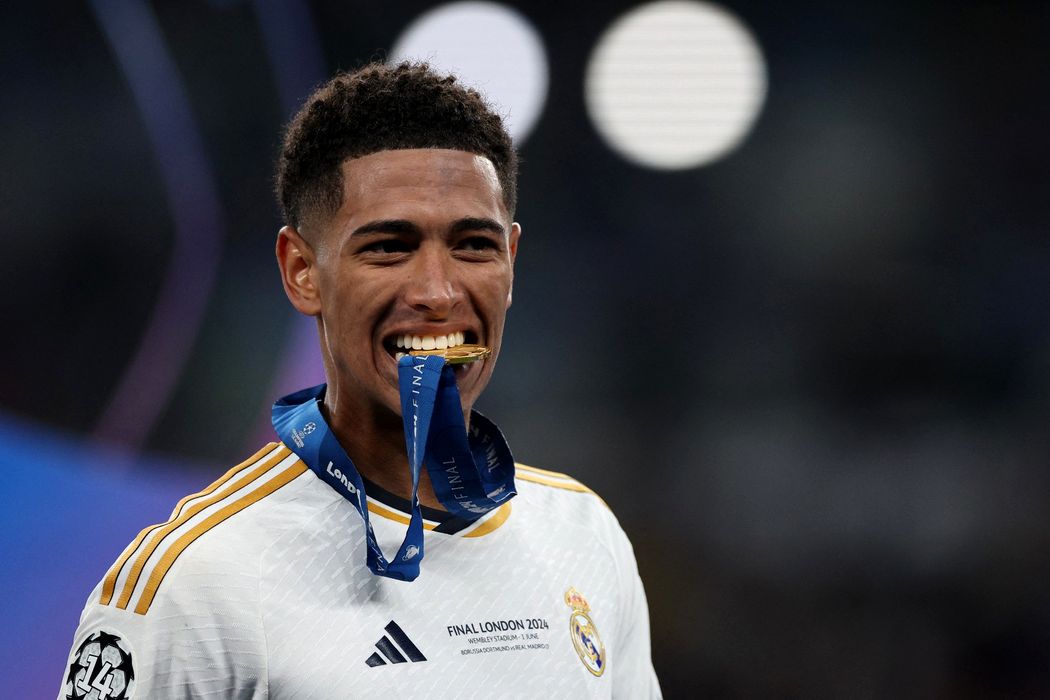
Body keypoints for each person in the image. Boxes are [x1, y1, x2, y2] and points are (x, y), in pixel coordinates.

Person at [59, 61, 661, 699]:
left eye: (473, 245)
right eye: (389, 247)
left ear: (511, 261)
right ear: (302, 272)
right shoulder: (199, 580)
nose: (437, 292)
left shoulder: (584, 534)